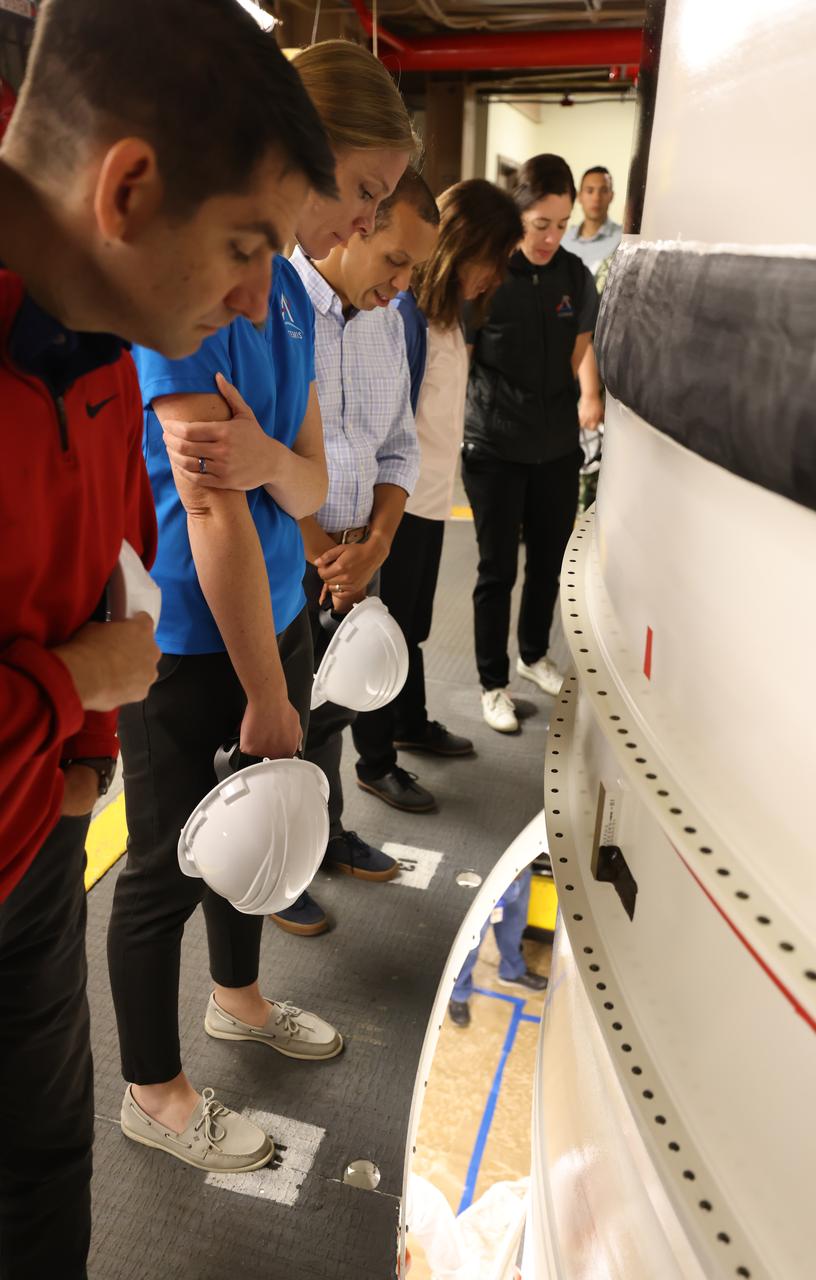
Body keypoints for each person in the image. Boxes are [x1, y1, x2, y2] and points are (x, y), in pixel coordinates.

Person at [0, 0, 333, 1273]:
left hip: (35, 824)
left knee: (43, 1164)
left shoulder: (95, 317)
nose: (261, 292)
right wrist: (74, 691)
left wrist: (80, 749)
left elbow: (94, 556)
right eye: (248, 247)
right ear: (128, 187)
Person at [107, 39, 419, 1178]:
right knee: (165, 867)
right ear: (304, 149)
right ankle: (154, 1091)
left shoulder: (284, 289)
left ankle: (235, 999)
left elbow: (303, 471)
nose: (365, 223)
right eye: (364, 192)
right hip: (186, 632)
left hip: (272, 607)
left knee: (260, 821)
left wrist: (267, 464)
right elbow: (215, 510)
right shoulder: (200, 284)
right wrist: (266, 689)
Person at [275, 170, 439, 935]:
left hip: (352, 557)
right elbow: (265, 455)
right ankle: (280, 865)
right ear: (359, 224)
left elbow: (400, 449)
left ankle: (326, 834)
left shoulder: (386, 319)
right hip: (284, 555)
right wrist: (316, 551)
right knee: (278, 724)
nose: (403, 284)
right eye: (396, 261)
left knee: (332, 713)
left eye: (415, 271)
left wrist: (373, 544)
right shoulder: (276, 306)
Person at [352, 179, 523, 811]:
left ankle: (409, 721)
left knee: (412, 625)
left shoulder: (448, 315)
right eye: (495, 260)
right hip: (395, 506)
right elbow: (384, 423)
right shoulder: (405, 317)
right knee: (385, 632)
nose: (497, 276)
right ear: (464, 247)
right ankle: (375, 759)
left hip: (425, 501)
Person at [463, 154, 603, 734]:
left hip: (555, 444)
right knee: (497, 570)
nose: (550, 236)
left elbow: (579, 347)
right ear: (517, 214)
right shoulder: (488, 276)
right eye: (540, 223)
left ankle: (533, 653)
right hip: (494, 445)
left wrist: (580, 399)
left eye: (561, 224)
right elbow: (464, 357)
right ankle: (493, 683)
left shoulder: (573, 274)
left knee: (548, 562)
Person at [448, 869, 547, 1028]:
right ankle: (458, 995)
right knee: (469, 945)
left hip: (520, 872)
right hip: (482, 880)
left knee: (514, 926)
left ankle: (512, 972)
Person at [561, 164, 623, 287]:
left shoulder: (622, 241)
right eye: (590, 191)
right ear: (579, 196)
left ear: (611, 196)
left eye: (604, 191)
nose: (596, 198)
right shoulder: (563, 240)